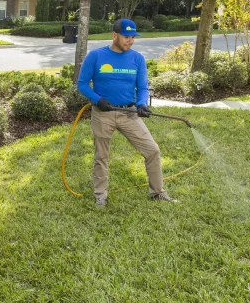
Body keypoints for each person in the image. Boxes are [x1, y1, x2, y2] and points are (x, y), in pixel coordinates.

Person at [76, 18, 177, 207]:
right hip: (103, 113)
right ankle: (100, 195)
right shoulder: (96, 56)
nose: (130, 41)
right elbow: (81, 84)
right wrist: (97, 100)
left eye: (133, 37)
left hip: (129, 113)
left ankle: (157, 192)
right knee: (101, 156)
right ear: (114, 35)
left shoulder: (137, 58)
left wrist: (141, 104)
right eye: (126, 37)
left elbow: (143, 87)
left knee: (152, 150)